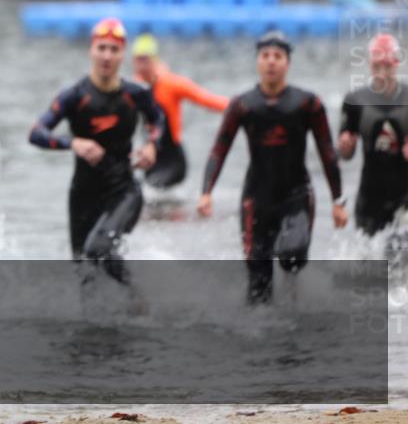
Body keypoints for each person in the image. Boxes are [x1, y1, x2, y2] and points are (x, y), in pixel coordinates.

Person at [198, 30, 348, 304]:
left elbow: (327, 152)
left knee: (292, 256)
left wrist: (338, 200)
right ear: (257, 61)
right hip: (256, 198)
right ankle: (264, 325)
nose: (271, 61)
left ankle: (294, 300)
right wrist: (206, 192)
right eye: (265, 55)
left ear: (287, 63)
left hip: (296, 195)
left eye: (277, 56)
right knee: (258, 285)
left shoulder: (307, 103)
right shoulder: (243, 105)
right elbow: (220, 148)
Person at [29, 18, 163, 284]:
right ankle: (133, 300)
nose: (107, 56)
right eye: (102, 48)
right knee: (84, 271)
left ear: (123, 54)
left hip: (123, 191)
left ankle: (137, 299)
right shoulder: (74, 96)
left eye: (114, 50)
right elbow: (36, 133)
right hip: (83, 193)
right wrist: (73, 143)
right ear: (91, 50)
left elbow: (157, 119)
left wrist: (152, 145)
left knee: (97, 249)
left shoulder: (135, 94)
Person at [130, 34, 229, 189]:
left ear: (155, 60)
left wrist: (240, 106)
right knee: (145, 191)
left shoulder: (172, 84)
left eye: (145, 60)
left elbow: (206, 99)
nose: (141, 65)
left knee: (152, 189)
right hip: (151, 159)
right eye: (138, 60)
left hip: (174, 160)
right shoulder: (134, 88)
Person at [338, 33, 408, 235]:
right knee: (370, 252)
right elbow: (345, 155)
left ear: (396, 64)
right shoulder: (355, 100)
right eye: (377, 67)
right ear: (370, 65)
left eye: (387, 66)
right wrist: (345, 147)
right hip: (370, 197)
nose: (382, 73)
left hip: (405, 194)